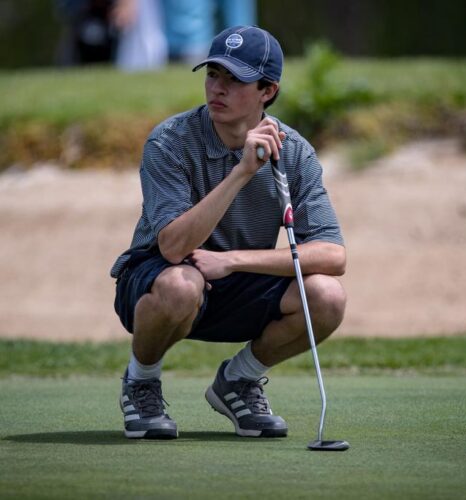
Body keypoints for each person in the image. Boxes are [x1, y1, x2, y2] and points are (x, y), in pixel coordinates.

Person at [111, 25, 346, 440]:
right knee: (183, 285)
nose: (217, 88)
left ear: (267, 91)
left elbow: (332, 256)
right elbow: (173, 245)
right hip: (158, 278)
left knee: (327, 297)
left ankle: (238, 381)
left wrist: (232, 261)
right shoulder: (169, 140)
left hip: (232, 278)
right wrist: (242, 172)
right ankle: (141, 381)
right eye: (213, 74)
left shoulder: (294, 151)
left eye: (235, 79)